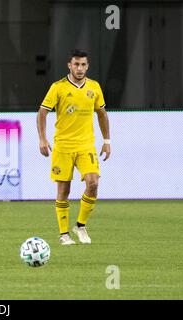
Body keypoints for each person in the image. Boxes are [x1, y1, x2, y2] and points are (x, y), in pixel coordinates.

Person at [37, 49, 111, 245]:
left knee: (93, 183)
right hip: (63, 145)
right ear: (69, 65)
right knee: (64, 190)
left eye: (83, 64)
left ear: (88, 66)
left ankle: (80, 225)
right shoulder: (58, 87)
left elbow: (102, 114)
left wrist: (107, 141)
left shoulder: (94, 87)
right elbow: (42, 113)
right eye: (76, 64)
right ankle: (63, 235)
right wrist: (42, 139)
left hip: (86, 144)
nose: (80, 68)